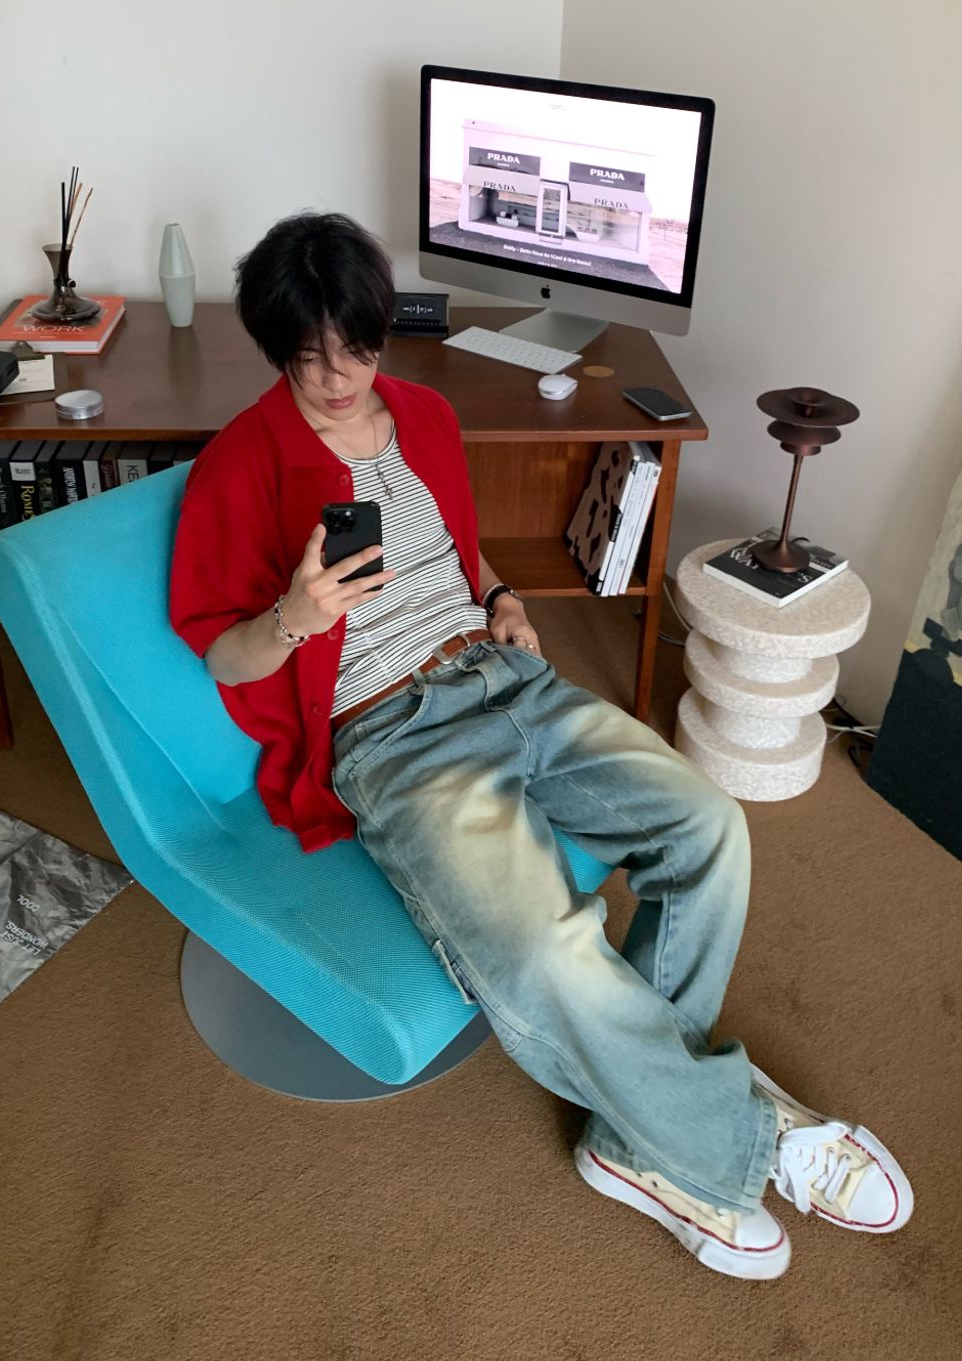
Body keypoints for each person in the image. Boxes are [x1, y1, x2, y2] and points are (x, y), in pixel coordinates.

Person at [169, 211, 913, 1280]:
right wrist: (294, 616)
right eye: (308, 357)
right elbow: (222, 657)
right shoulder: (240, 465)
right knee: (541, 950)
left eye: (356, 350)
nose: (336, 378)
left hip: (507, 677)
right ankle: (750, 1139)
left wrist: (504, 597)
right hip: (388, 733)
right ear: (275, 348)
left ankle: (637, 1137)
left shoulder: (423, 415)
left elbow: (456, 549)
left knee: (708, 826)